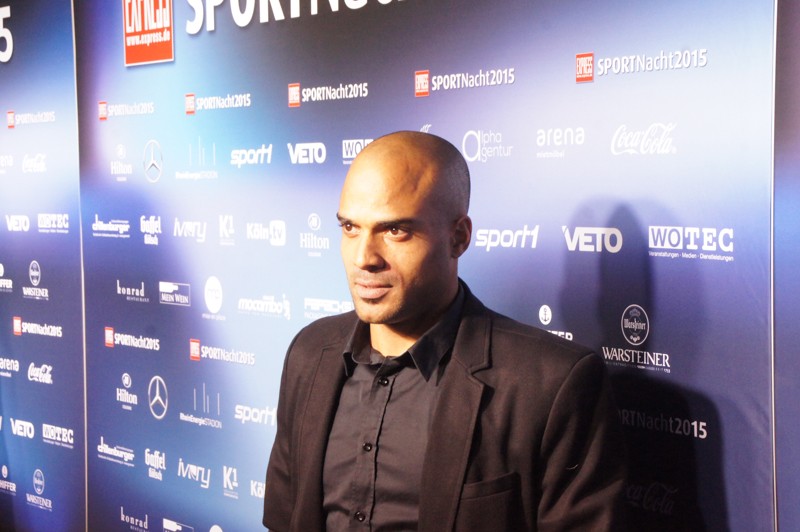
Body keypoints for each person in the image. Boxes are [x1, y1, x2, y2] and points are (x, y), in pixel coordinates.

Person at [263, 131, 627, 531]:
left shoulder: (549, 385)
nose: (364, 257)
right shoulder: (309, 353)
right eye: (350, 227)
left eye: (395, 230)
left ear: (458, 238)